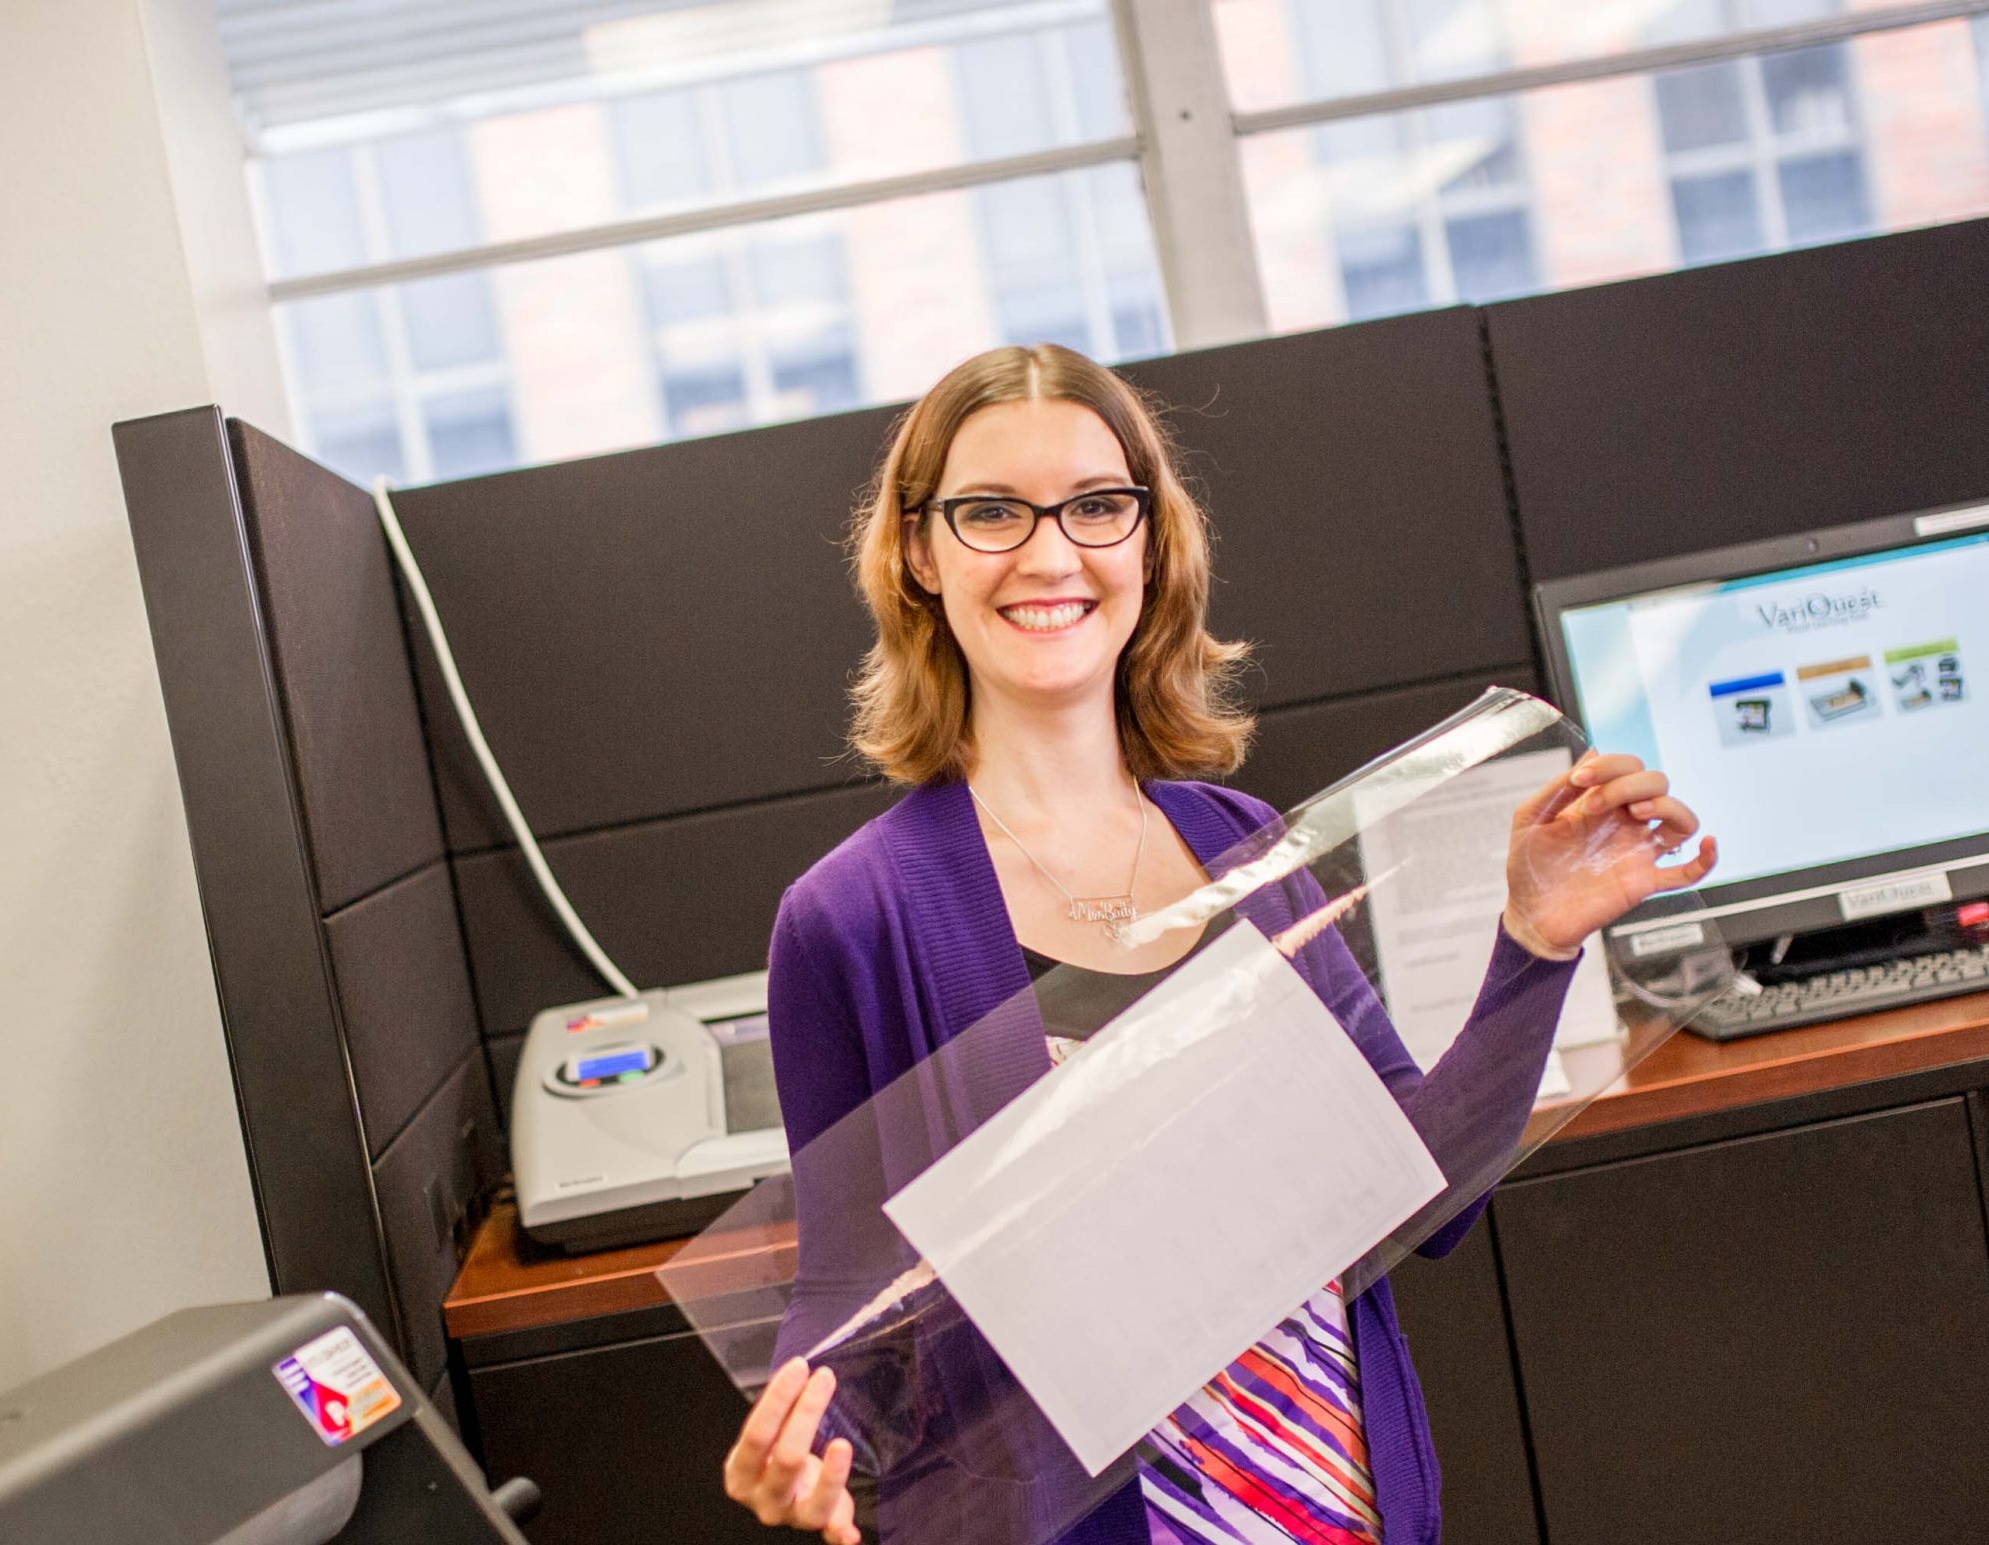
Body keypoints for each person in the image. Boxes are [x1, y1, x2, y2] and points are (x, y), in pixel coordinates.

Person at [723, 343, 1717, 1543]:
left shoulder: (1237, 841)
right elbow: (843, 1297)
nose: (1051, 553)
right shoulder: (853, 915)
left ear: (1149, 540)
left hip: (1334, 1510)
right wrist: (802, 1449)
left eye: (1096, 505)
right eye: (991, 512)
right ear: (920, 553)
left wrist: (1535, 943)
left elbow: (1416, 1200)